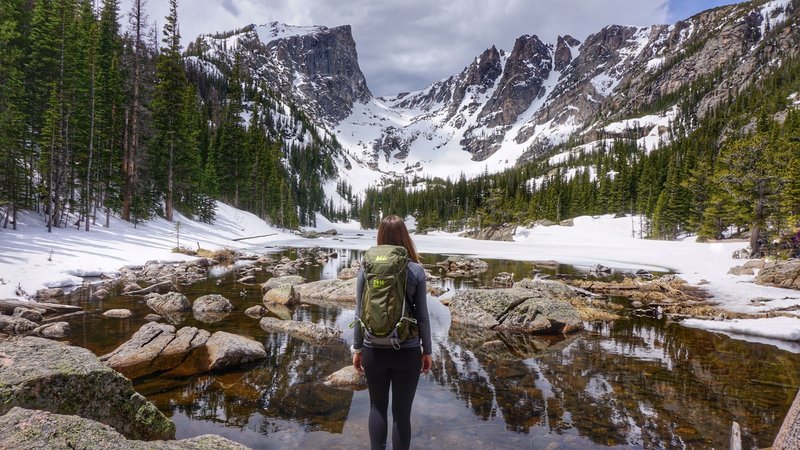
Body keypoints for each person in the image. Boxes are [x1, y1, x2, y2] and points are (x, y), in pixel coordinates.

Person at [352, 215, 433, 450]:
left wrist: (357, 348)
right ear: (404, 238)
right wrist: (427, 350)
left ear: (380, 237)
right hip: (406, 351)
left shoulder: (366, 266)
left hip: (373, 350)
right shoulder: (415, 270)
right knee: (401, 415)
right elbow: (423, 316)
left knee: (376, 408)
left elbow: (359, 311)